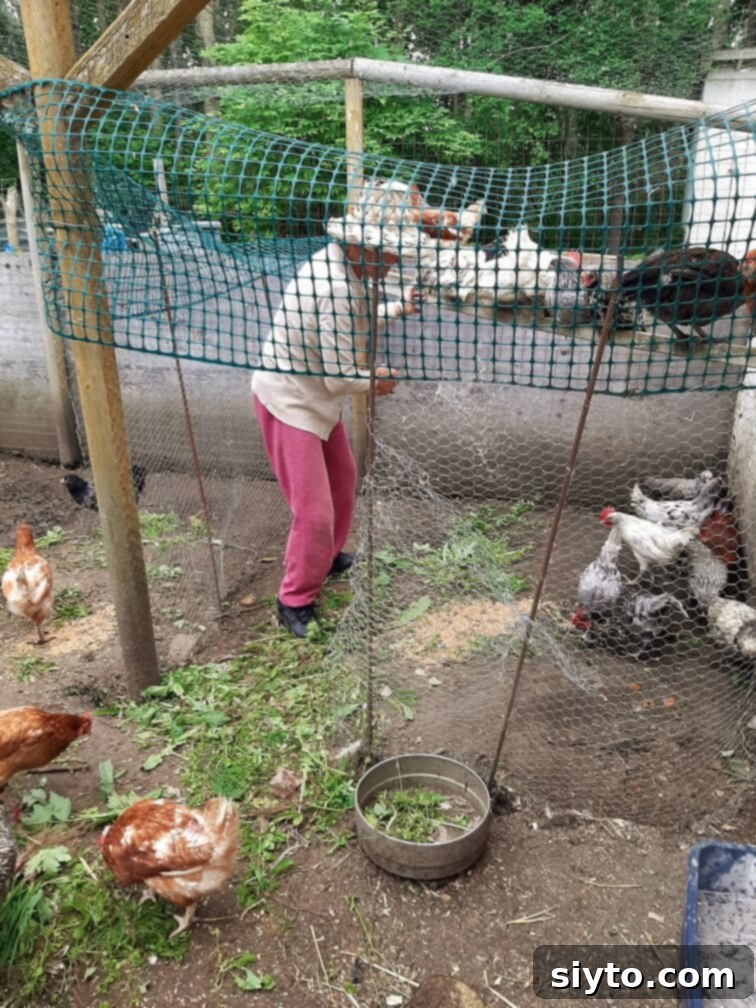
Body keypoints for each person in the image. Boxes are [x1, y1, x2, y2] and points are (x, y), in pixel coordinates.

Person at [251, 178, 446, 637]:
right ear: (364, 247)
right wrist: (378, 382)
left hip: (317, 399)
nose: (397, 260)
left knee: (343, 483)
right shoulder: (338, 284)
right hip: (290, 400)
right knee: (313, 512)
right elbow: (340, 377)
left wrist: (397, 307)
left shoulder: (350, 270)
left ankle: (328, 556)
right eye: (392, 252)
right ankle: (294, 600)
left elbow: (354, 318)